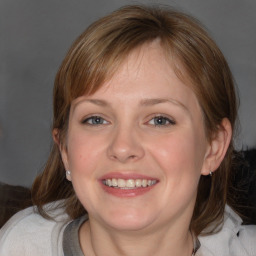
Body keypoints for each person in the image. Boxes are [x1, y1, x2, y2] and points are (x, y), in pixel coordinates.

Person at [0, 4, 255, 256]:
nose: (122, 147)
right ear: (65, 148)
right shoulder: (17, 246)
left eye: (159, 120)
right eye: (96, 119)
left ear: (213, 147)